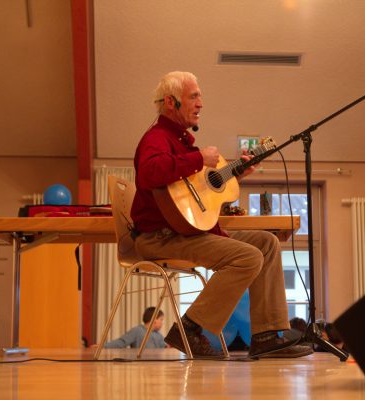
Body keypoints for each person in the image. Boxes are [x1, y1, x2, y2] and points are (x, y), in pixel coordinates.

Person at [130, 71, 312, 359]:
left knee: (266, 243)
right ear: (170, 102)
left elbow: (194, 195)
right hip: (160, 237)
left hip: (186, 232)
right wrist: (199, 158)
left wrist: (236, 173)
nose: (201, 103)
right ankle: (189, 328)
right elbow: (150, 172)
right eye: (194, 96)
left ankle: (266, 334)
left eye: (200, 96)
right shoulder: (157, 138)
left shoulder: (180, 141)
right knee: (248, 256)